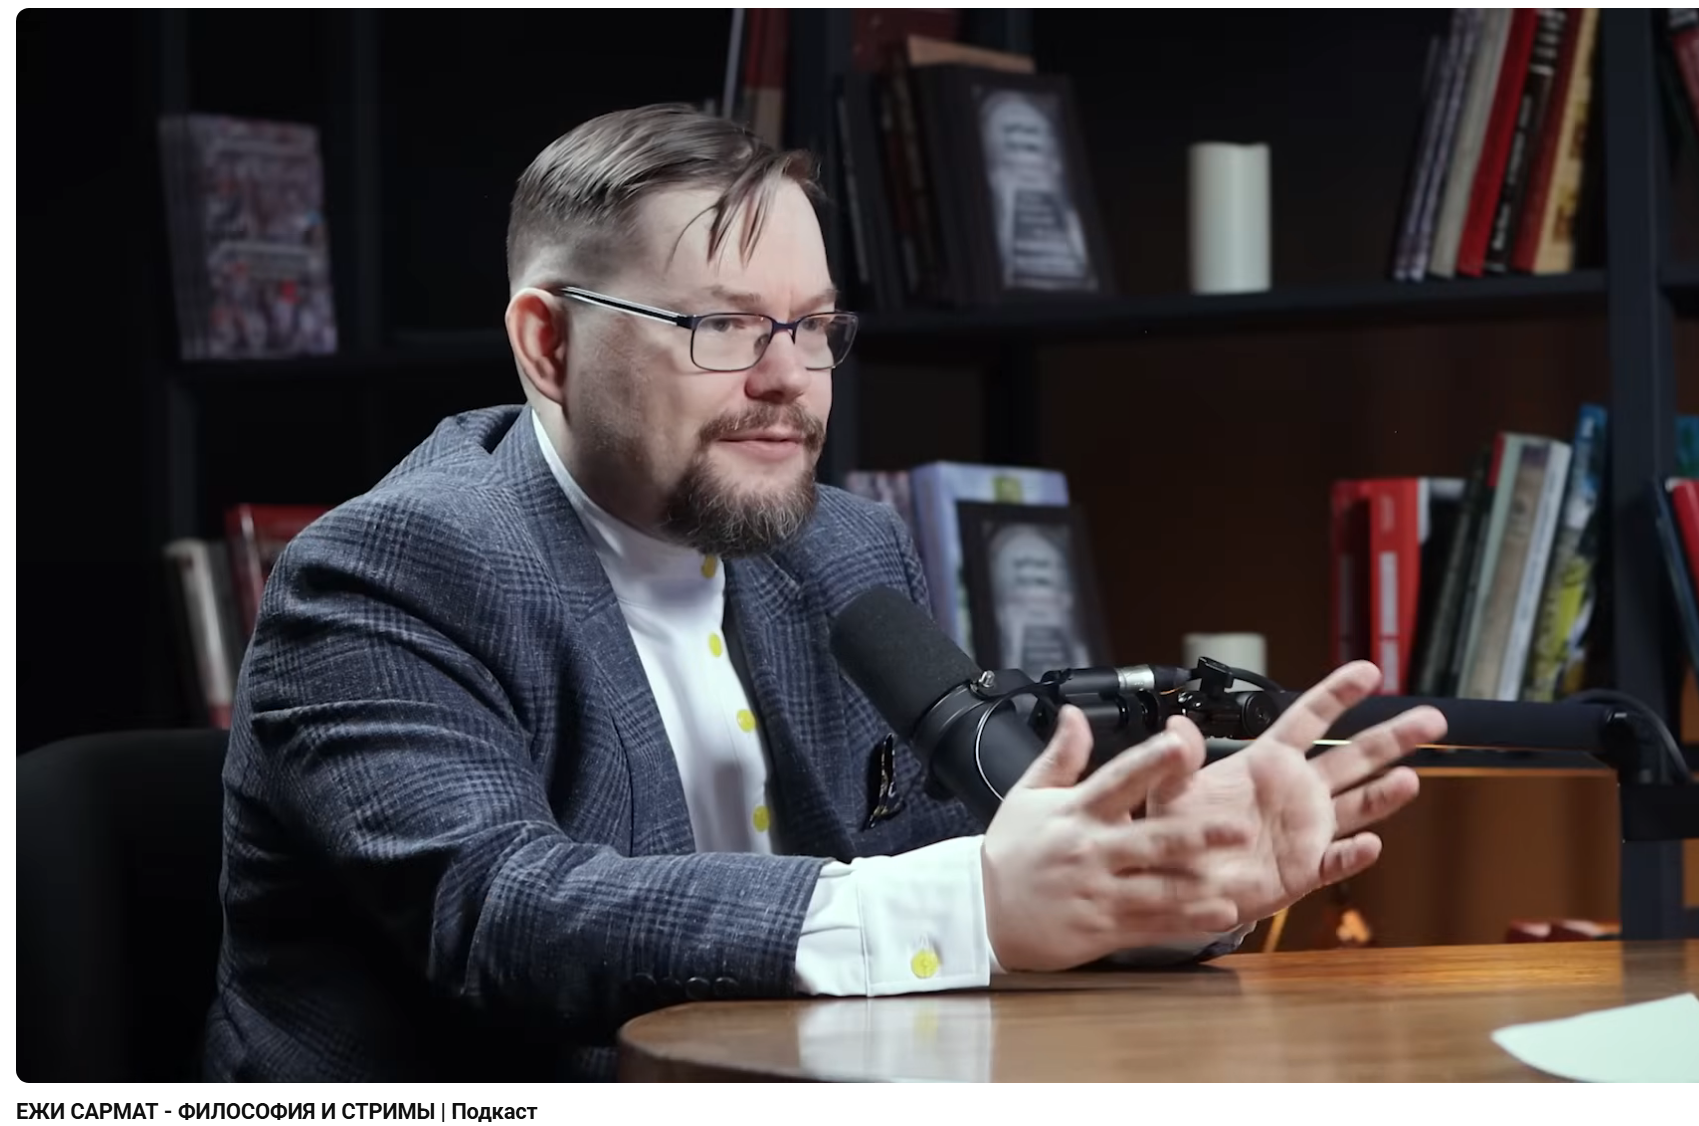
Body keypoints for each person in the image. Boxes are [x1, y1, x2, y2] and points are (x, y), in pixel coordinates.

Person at [202, 104, 1446, 1082]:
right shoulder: (389, 569)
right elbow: (505, 914)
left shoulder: (840, 548)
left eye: (813, 327)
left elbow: (958, 869)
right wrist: (980, 900)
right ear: (548, 343)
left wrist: (1155, 878)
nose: (787, 379)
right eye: (723, 327)